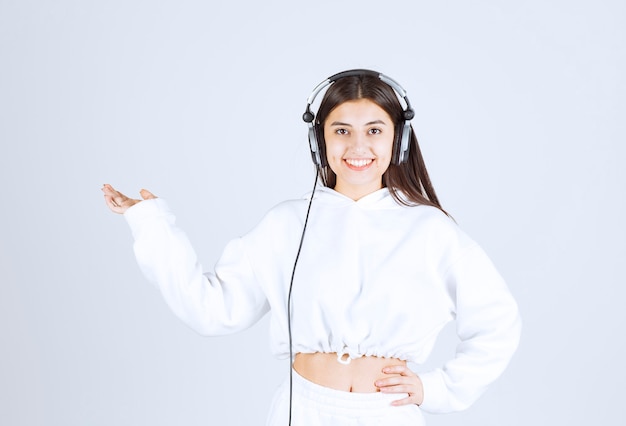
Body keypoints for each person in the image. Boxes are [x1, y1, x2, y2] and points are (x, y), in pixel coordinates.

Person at [102, 69, 521, 426]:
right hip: (302, 410)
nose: (358, 148)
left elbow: (497, 322)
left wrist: (437, 388)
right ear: (319, 140)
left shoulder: (430, 230)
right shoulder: (286, 223)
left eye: (374, 130)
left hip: (387, 413)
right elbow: (214, 310)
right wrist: (153, 226)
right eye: (342, 131)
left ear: (399, 138)